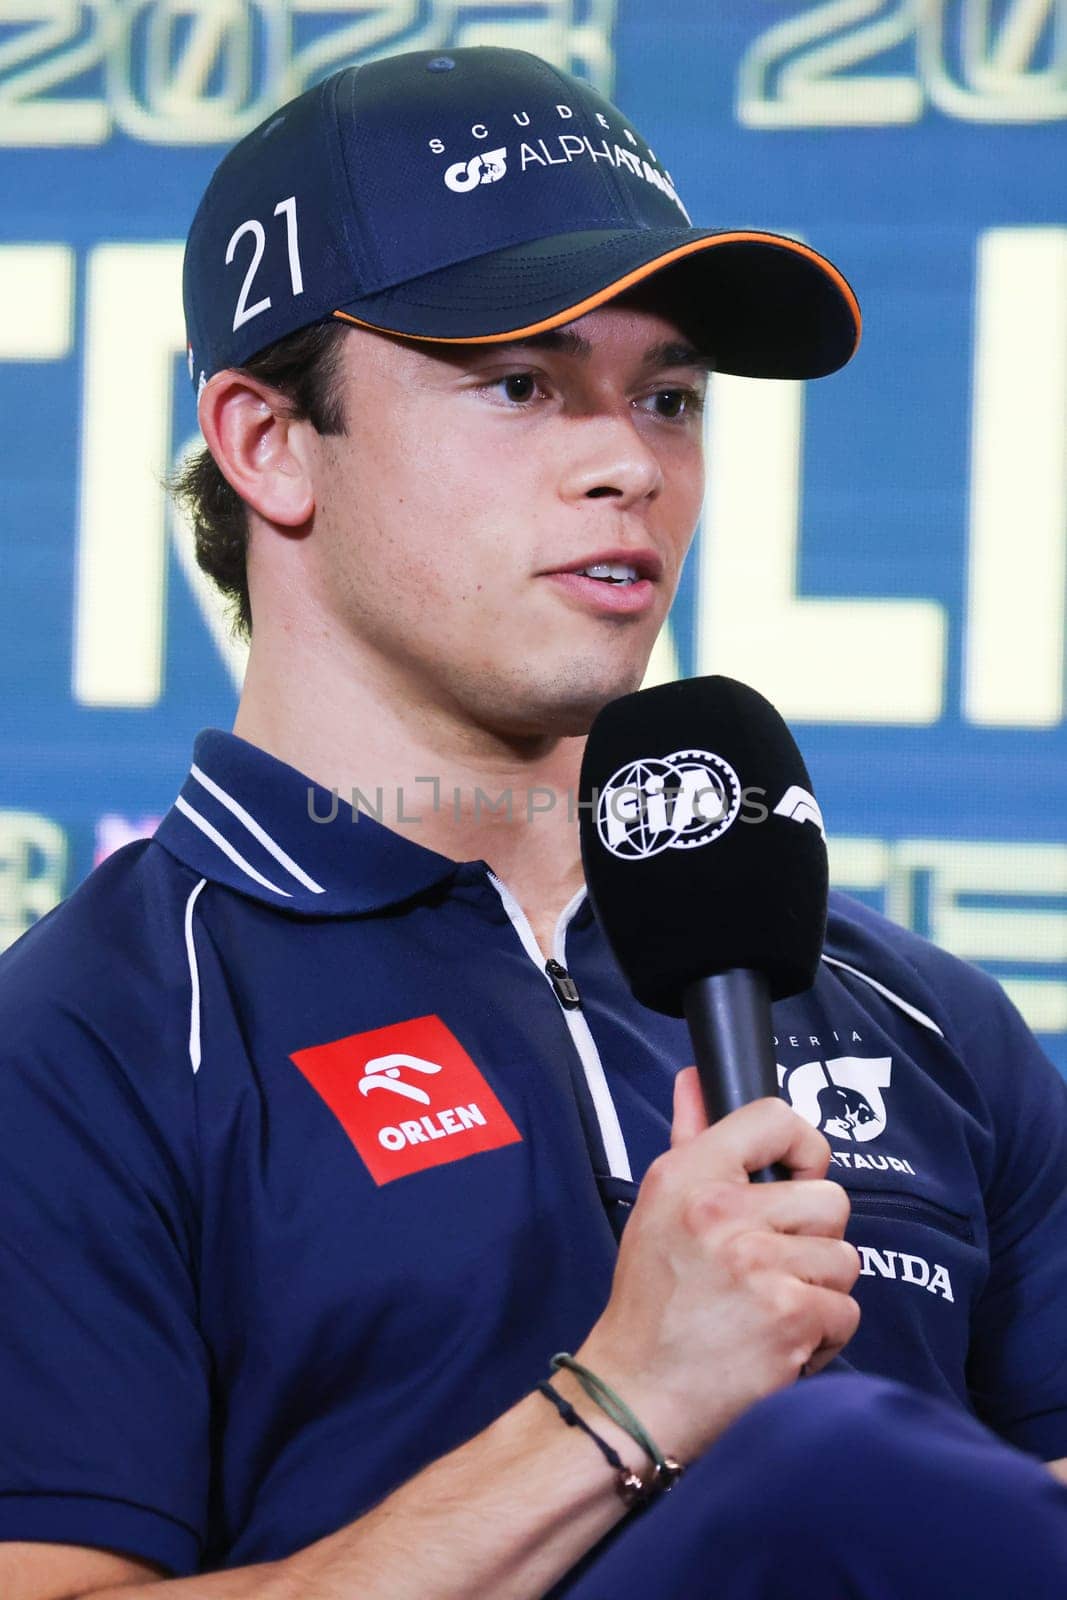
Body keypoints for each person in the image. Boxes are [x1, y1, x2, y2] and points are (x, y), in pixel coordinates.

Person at [2, 44, 1067, 1600]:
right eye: (520, 384)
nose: (628, 463)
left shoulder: (923, 1018)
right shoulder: (92, 1040)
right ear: (268, 442)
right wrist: (629, 1403)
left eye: (672, 397)